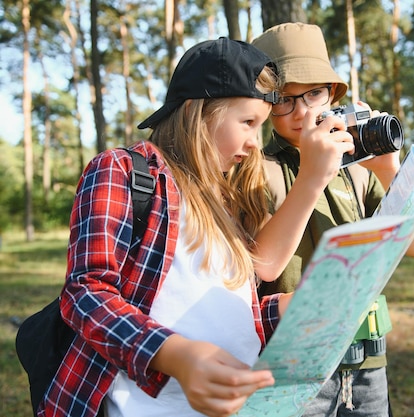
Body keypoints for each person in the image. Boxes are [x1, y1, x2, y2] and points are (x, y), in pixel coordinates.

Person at [42, 38, 294, 417]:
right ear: (199, 111)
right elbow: (85, 292)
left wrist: (294, 310)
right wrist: (176, 355)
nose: (255, 144)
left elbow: (223, 314)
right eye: (247, 122)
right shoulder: (122, 172)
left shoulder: (226, 200)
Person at [252, 22, 414, 417]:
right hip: (292, 364)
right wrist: (311, 176)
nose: (303, 112)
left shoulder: (357, 170)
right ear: (264, 104)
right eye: (285, 99)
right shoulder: (256, 169)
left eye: (314, 93)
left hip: (365, 359)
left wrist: (388, 168)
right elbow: (262, 264)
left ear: (332, 93)